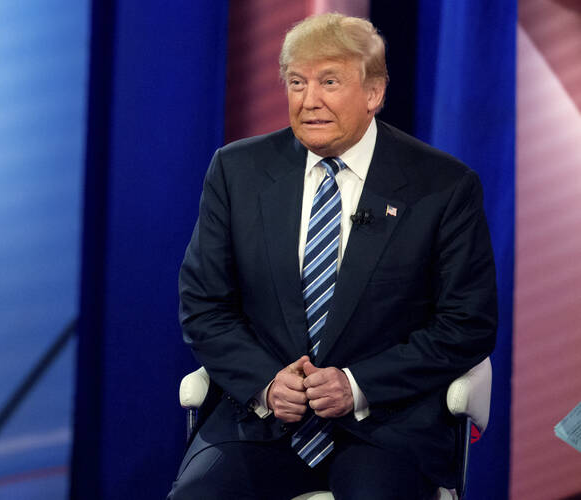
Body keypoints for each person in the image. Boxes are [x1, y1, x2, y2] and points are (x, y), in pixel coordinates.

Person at [169, 12, 497, 500]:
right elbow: (204, 305)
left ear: (374, 92)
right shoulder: (237, 171)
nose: (309, 100)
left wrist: (356, 384)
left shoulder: (442, 186)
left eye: (329, 82)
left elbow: (467, 323)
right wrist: (265, 383)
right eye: (297, 82)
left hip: (386, 424)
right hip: (259, 424)